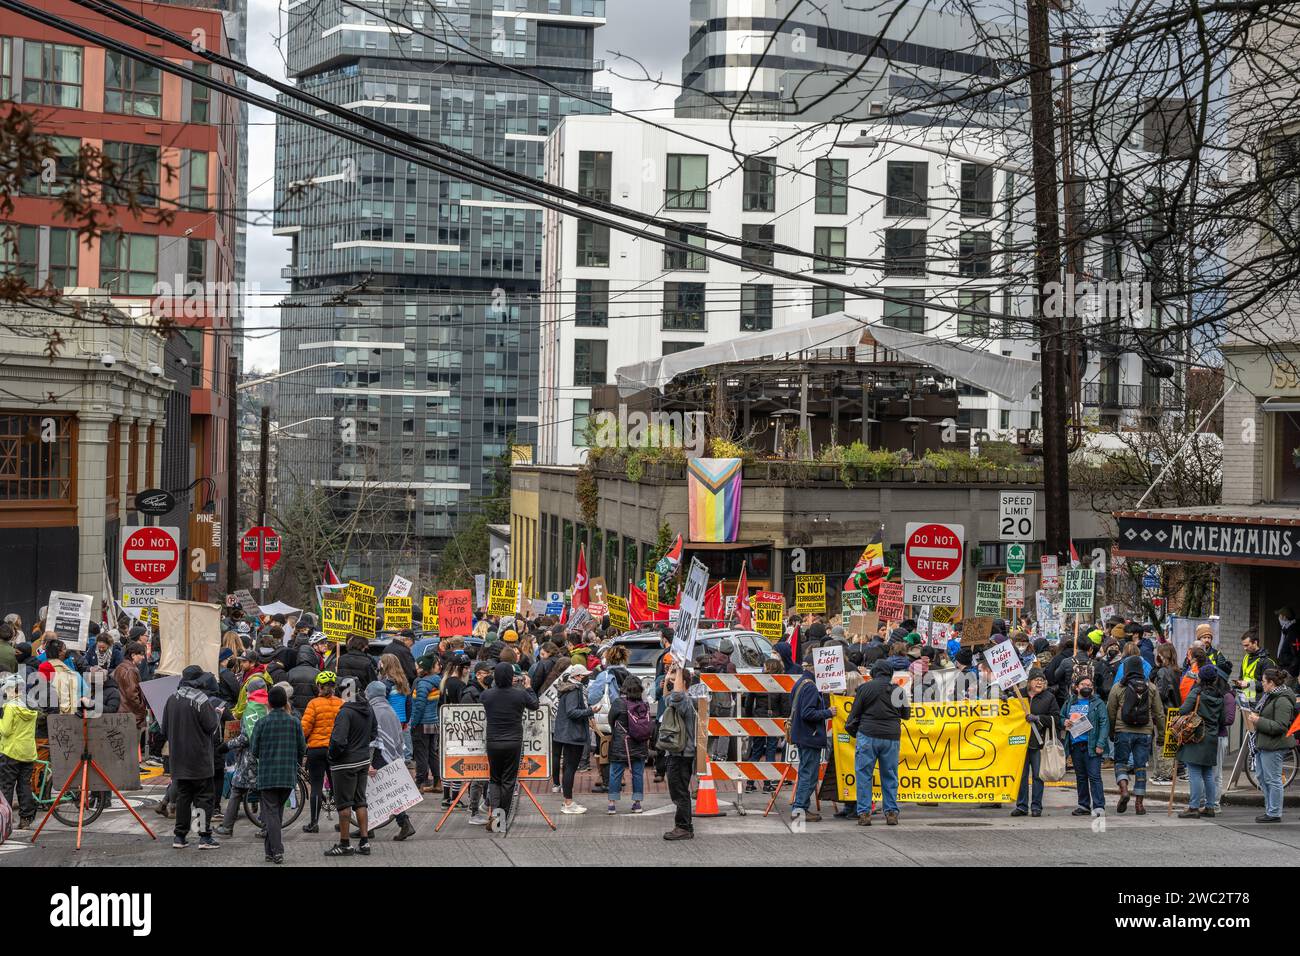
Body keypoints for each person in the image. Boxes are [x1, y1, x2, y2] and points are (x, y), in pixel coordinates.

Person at [161, 666, 222, 849]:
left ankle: (179, 837)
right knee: (204, 798)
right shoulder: (201, 700)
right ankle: (204, 836)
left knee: (183, 798)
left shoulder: (171, 699)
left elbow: (164, 730)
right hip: (199, 759)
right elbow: (211, 727)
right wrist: (217, 715)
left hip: (178, 759)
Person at [845, 659, 911, 826]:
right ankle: (891, 813)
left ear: (873, 673)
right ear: (890, 674)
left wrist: (855, 732)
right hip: (891, 737)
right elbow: (906, 715)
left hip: (868, 735)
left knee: (864, 775)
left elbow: (854, 715)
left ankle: (864, 813)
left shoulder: (864, 689)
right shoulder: (898, 691)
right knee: (890, 775)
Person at [248, 685, 306, 864]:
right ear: (285, 702)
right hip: (288, 774)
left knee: (271, 812)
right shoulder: (294, 721)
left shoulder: (262, 722)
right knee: (276, 812)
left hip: (268, 774)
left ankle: (277, 850)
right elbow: (301, 748)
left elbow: (254, 750)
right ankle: (269, 852)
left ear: (269, 703)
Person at [480, 661, 538, 830]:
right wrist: (528, 687)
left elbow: (484, 695)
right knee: (508, 781)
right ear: (512, 677)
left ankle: (494, 813)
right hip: (513, 741)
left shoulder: (487, 695)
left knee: (495, 779)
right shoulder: (519, 695)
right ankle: (500, 817)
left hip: (493, 741)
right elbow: (534, 705)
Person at [1106, 655, 1165, 815]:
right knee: (1140, 767)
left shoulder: (1118, 687)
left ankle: (1124, 790)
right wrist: (1162, 735)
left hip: (1122, 730)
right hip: (1144, 732)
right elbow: (1159, 713)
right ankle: (1139, 804)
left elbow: (1110, 711)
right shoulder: (1151, 687)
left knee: (1120, 763)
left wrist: (1111, 731)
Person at [326, 677, 377, 856]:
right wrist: (361, 746)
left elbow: (338, 740)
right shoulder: (368, 709)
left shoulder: (345, 712)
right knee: (360, 801)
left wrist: (332, 755)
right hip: (363, 759)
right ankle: (364, 842)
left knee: (344, 804)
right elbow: (373, 733)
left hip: (345, 763)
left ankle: (345, 843)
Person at [214, 677, 270, 837]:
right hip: (266, 757)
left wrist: (227, 745)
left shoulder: (251, 708)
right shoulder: (268, 706)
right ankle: (267, 827)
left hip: (250, 758)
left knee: (237, 789)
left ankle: (227, 827)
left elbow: (246, 737)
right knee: (264, 793)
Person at [364, 682, 417, 841]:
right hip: (392, 753)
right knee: (382, 790)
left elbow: (372, 738)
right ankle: (369, 826)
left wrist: (368, 761)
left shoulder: (373, 710)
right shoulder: (389, 708)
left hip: (381, 754)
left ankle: (404, 822)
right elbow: (398, 735)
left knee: (378, 790)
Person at [788, 652, 836, 823]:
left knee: (806, 772)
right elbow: (807, 713)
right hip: (809, 735)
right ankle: (800, 808)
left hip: (804, 734)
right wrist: (827, 712)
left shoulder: (802, 683)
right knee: (809, 774)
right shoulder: (810, 686)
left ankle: (800, 807)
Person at [1246, 667, 1297, 823]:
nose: (1262, 684)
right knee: (1262, 777)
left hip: (1274, 745)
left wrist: (1258, 720)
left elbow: (1281, 726)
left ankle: (1274, 812)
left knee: (1273, 779)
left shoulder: (1282, 700)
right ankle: (1270, 809)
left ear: (1271, 683)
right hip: (1265, 743)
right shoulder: (1271, 696)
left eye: (1263, 681)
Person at [1177, 664, 1224, 818]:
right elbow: (1222, 719)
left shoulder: (1197, 693)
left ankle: (1194, 807)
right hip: (1211, 736)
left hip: (1196, 734)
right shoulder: (1219, 695)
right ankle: (1210, 806)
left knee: (1195, 772)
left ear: (1200, 678)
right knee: (1208, 773)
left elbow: (1183, 710)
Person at [1061, 675, 1109, 816]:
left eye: (1089, 685)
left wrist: (1100, 743)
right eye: (1083, 684)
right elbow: (1061, 716)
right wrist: (1064, 722)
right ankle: (1083, 805)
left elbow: (1104, 723)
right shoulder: (1070, 702)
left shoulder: (1098, 703)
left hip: (1092, 745)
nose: (1086, 687)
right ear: (1077, 687)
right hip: (1075, 745)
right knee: (1080, 777)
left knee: (1094, 776)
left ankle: (1099, 806)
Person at [1012, 668, 1057, 818]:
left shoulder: (1049, 697)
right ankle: (1021, 806)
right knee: (1021, 776)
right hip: (1020, 743)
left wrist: (1038, 718)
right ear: (1029, 681)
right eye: (1036, 679)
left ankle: (1036, 806)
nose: (1039, 682)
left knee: (1038, 776)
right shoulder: (1018, 695)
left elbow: (1056, 719)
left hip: (1039, 743)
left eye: (1042, 680)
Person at [300, 671, 342, 833]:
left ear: (319, 686)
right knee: (337, 786)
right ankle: (343, 821)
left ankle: (313, 823)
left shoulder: (314, 704)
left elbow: (304, 729)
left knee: (316, 786)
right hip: (334, 750)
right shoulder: (341, 703)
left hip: (316, 749)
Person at [660, 663, 697, 841]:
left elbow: (675, 695)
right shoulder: (680, 701)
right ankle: (684, 826)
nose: (670, 684)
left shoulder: (685, 702)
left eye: (674, 682)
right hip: (676, 754)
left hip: (682, 755)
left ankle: (683, 827)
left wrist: (679, 671)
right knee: (678, 791)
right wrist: (669, 677)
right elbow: (667, 698)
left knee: (680, 792)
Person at [552, 663, 592, 815]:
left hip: (565, 733)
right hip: (573, 734)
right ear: (578, 677)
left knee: (567, 767)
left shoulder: (567, 689)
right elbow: (572, 712)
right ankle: (568, 802)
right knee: (570, 768)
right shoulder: (574, 691)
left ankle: (567, 800)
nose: (586, 678)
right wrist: (589, 711)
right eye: (584, 675)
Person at [607, 675, 650, 814]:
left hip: (621, 743)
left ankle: (612, 804)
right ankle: (637, 803)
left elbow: (611, 720)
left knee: (615, 773)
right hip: (639, 743)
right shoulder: (644, 704)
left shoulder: (619, 702)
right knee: (637, 773)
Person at [0, 675, 37, 828]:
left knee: (6, 786)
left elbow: (6, 731)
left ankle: (6, 820)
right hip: (28, 752)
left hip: (11, 751)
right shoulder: (28, 706)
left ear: (9, 690)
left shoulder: (10, 707)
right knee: (24, 785)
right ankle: (26, 819)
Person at [410, 655, 441, 793]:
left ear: (425, 669)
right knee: (432, 753)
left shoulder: (423, 684)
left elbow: (419, 706)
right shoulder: (436, 681)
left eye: (419, 666)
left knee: (421, 753)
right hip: (433, 721)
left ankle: (420, 784)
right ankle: (437, 782)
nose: (417, 668)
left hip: (422, 723)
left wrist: (414, 723)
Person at [1234, 630, 1274, 706]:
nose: (1244, 648)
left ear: (1255, 643)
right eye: (1243, 645)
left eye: (1247, 645)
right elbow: (1241, 677)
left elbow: (1268, 684)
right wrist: (1238, 684)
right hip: (1244, 699)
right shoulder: (1246, 657)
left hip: (1257, 702)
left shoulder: (1266, 661)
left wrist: (1248, 684)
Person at [287, 639, 322, 714]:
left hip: (294, 711)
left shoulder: (291, 672)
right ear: (312, 657)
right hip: (312, 711)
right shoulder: (317, 673)